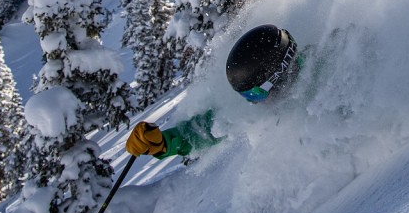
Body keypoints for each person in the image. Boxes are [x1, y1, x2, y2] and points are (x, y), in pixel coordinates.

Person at [125, 24, 300, 160]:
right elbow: (211, 128)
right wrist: (163, 144)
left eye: (255, 94)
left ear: (276, 76)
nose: (253, 102)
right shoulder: (271, 103)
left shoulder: (323, 80)